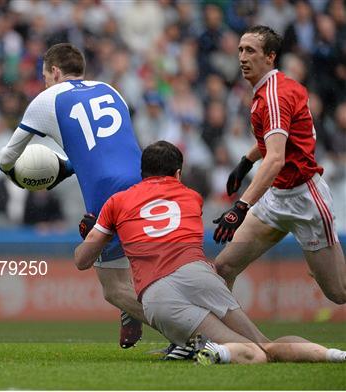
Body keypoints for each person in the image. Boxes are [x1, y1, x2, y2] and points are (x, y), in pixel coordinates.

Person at [74, 140, 346, 365]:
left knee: (253, 355)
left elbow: (82, 261)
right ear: (178, 174)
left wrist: (91, 233)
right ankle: (337, 355)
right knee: (266, 346)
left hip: (156, 293)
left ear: (142, 171)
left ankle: (216, 350)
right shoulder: (192, 197)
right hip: (198, 274)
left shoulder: (116, 202)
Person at [0, 43, 145, 348]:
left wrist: (22, 178)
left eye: (45, 76)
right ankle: (141, 312)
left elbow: (5, 159)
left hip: (105, 194)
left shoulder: (46, 99)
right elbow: (108, 147)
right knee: (148, 267)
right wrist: (66, 167)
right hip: (143, 181)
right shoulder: (110, 89)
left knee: (114, 289)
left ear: (54, 71)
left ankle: (190, 336)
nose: (45, 83)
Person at [213, 25, 346, 304]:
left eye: (250, 50)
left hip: (304, 199)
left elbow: (276, 158)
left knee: (338, 293)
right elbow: (280, 139)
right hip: (276, 197)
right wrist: (246, 161)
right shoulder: (274, 87)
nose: (242, 57)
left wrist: (241, 206)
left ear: (270, 56)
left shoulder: (273, 95)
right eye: (240, 50)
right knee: (224, 267)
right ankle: (223, 344)